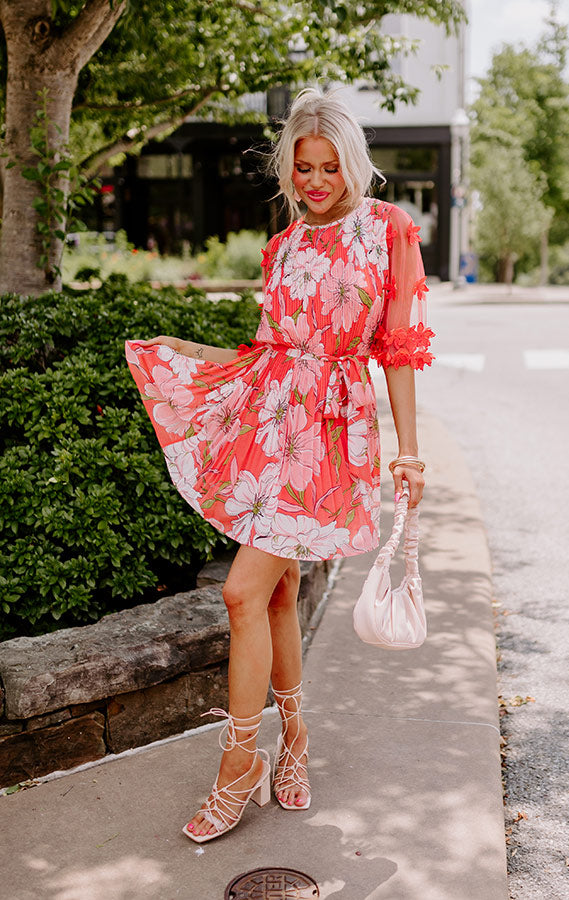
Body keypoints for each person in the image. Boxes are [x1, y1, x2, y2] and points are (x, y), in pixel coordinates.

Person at [124, 88, 434, 845]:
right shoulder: (285, 245)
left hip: (327, 436)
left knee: (239, 592)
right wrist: (199, 360)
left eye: (330, 166)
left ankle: (238, 764)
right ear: (290, 171)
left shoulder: (388, 231)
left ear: (353, 163)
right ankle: (292, 742)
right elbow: (268, 351)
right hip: (268, 424)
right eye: (305, 168)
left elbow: (396, 353)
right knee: (275, 593)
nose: (318, 181)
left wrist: (409, 452)